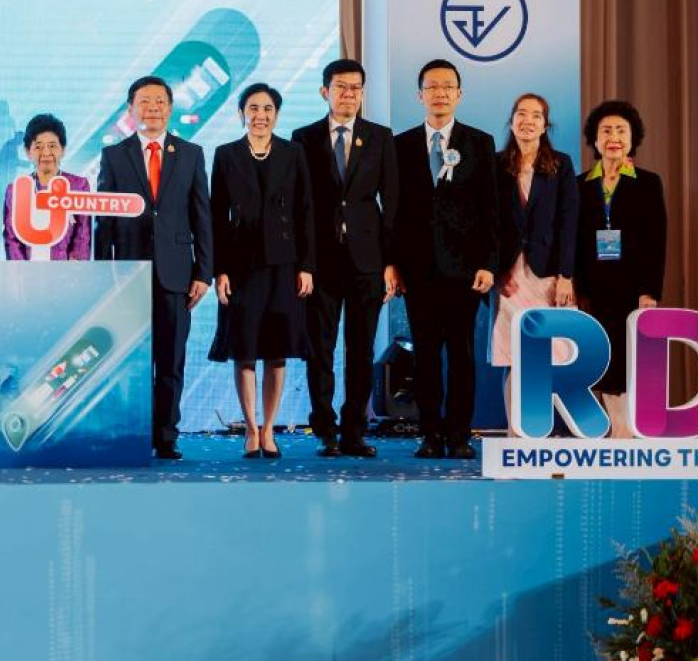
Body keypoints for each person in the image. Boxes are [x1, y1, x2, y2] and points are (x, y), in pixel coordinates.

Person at [94, 76, 212, 460]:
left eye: (160, 101)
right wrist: (103, 273)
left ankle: (166, 436)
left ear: (171, 108)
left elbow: (202, 216)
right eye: (144, 101)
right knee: (134, 362)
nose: (153, 108)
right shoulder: (114, 155)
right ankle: (134, 433)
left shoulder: (191, 154)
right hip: (128, 274)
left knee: (171, 359)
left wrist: (204, 272)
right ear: (131, 109)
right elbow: (104, 221)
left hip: (177, 274)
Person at [290, 59, 398, 458]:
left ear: (362, 93)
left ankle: (354, 431)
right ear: (325, 91)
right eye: (341, 87)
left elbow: (392, 202)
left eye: (355, 88)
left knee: (360, 349)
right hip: (320, 263)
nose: (348, 94)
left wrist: (391, 262)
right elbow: (299, 205)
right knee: (319, 349)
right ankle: (325, 429)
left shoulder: (380, 137)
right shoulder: (304, 138)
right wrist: (302, 263)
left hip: (367, 262)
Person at [393, 59, 499, 459]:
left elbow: (491, 210)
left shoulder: (480, 143)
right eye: (432, 87)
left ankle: (459, 434)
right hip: (417, 270)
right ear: (420, 95)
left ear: (459, 94)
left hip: (464, 270)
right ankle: (430, 434)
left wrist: (488, 263)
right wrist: (393, 263)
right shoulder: (400, 145)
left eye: (447, 86)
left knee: (461, 353)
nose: (440, 93)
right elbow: (394, 212)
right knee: (424, 354)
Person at [208, 84, 314, 459]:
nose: (260, 115)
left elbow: (305, 211)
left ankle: (269, 428)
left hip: (283, 264)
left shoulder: (292, 152)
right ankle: (250, 430)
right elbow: (217, 217)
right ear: (241, 113)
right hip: (241, 267)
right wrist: (220, 270)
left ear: (277, 114)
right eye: (253, 108)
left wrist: (306, 266)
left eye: (267, 109)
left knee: (276, 350)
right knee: (245, 349)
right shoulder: (226, 154)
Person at [575, 100, 665, 438]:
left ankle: (624, 430)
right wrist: (575, 285)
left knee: (628, 357)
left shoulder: (648, 183)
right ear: (595, 139)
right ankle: (614, 428)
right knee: (597, 355)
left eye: (621, 131)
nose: (613, 138)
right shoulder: (579, 184)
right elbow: (572, 240)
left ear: (632, 138)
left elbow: (657, 241)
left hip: (632, 287)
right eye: (606, 131)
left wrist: (650, 290)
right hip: (592, 287)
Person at [490, 93, 578, 427]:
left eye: (536, 115)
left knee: (553, 352)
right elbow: (486, 222)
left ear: (545, 125)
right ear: (512, 121)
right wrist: (495, 271)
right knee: (513, 353)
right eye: (521, 114)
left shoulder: (560, 165)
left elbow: (569, 222)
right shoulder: (496, 164)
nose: (528, 121)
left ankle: (545, 427)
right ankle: (517, 432)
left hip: (549, 274)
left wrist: (566, 275)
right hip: (508, 276)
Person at [2, 113, 91, 260]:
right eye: (38, 147)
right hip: (27, 269)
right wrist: (22, 270)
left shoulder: (78, 185)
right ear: (28, 152)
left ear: (63, 149)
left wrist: (74, 267)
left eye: (52, 146)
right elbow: (11, 239)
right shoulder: (16, 190)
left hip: (67, 269)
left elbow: (83, 233)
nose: (46, 153)